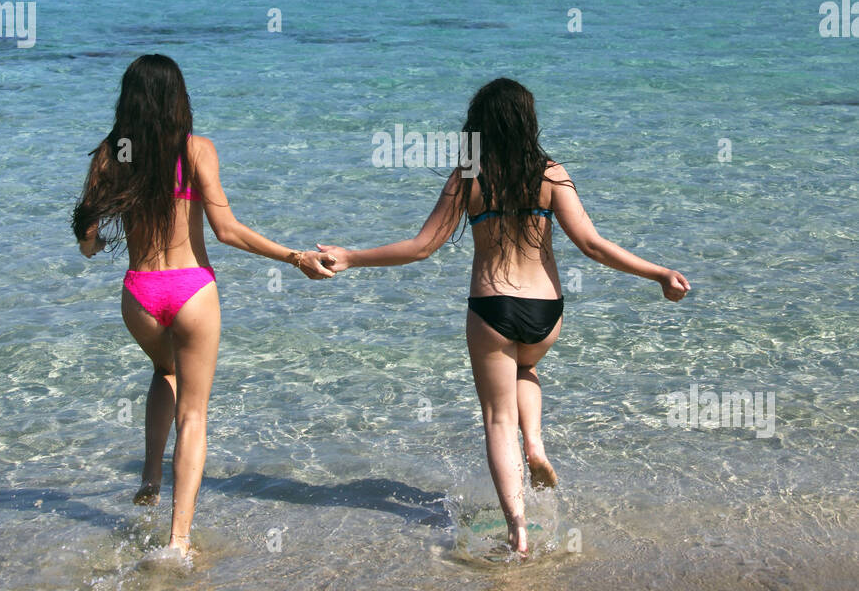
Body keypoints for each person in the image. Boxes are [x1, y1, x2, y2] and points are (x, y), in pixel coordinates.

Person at [318, 77, 690, 556]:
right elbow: (593, 245)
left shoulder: (468, 177)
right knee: (526, 368)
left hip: (492, 308)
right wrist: (659, 273)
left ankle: (517, 528)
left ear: (480, 125)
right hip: (545, 312)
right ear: (527, 122)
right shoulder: (551, 175)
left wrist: (351, 257)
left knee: (497, 419)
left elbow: (421, 247)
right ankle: (534, 443)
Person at [72, 54, 333, 557]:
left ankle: (150, 477)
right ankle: (178, 541)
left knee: (162, 370)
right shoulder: (196, 150)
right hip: (191, 289)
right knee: (193, 415)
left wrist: (96, 243)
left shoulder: (111, 155)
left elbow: (87, 240)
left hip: (140, 294)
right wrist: (295, 256)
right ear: (178, 99)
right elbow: (227, 231)